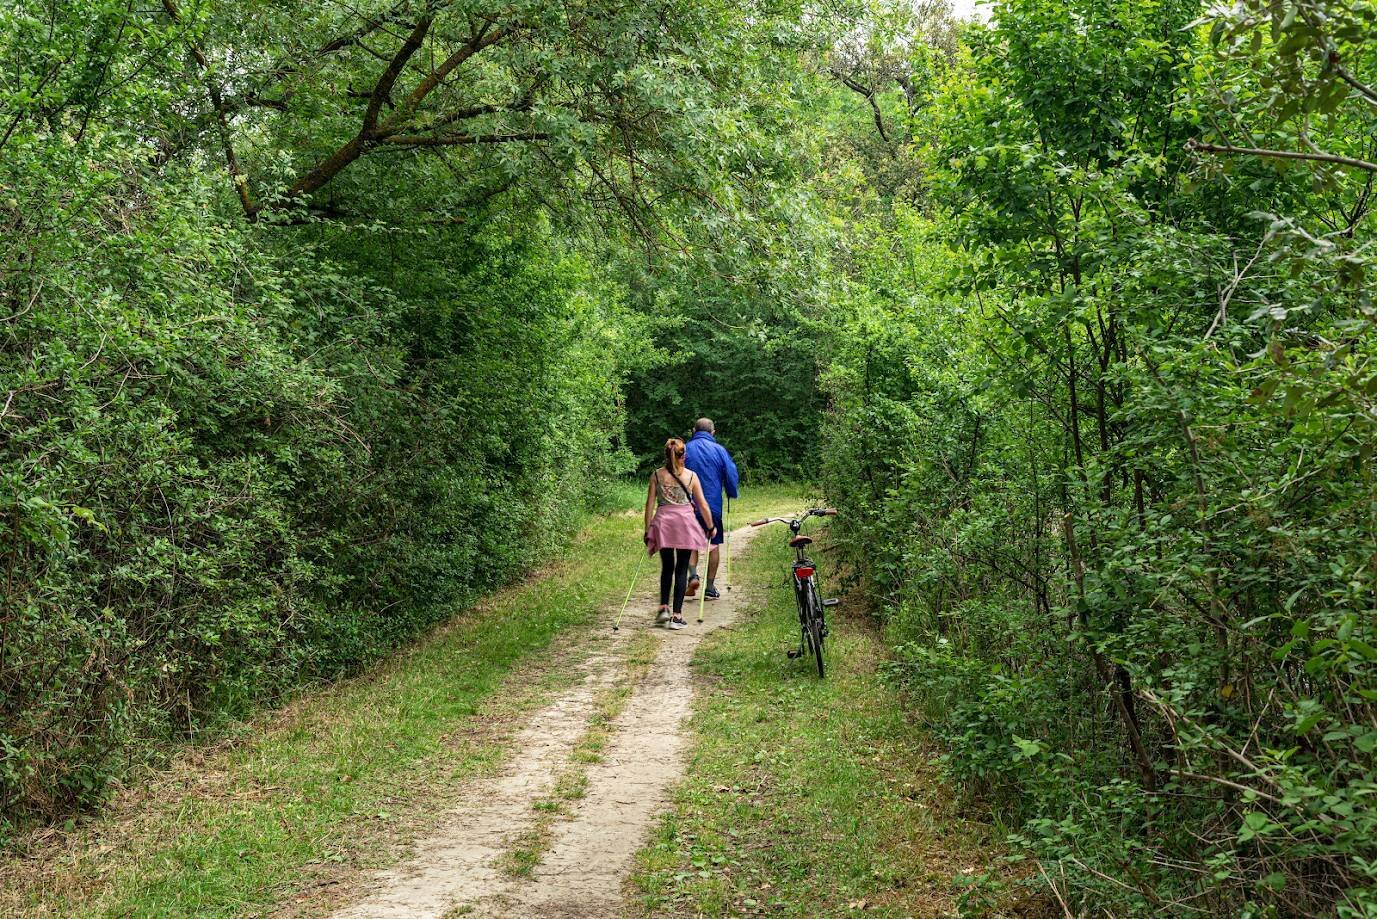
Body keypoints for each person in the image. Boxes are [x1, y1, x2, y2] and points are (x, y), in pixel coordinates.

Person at [644, 437, 718, 629]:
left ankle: (663, 611)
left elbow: (649, 505)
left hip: (663, 525)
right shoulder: (691, 476)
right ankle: (677, 616)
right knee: (682, 569)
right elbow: (702, 504)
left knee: (667, 567)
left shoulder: (656, 475)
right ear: (683, 455)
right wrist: (710, 527)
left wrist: (647, 530)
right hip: (685, 524)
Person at [682, 418, 739, 601]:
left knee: (691, 544)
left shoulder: (685, 449)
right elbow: (730, 474)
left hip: (689, 505)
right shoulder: (720, 451)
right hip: (712, 507)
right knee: (713, 545)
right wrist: (731, 492)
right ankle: (710, 587)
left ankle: (692, 575)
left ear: (693, 430)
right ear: (713, 432)